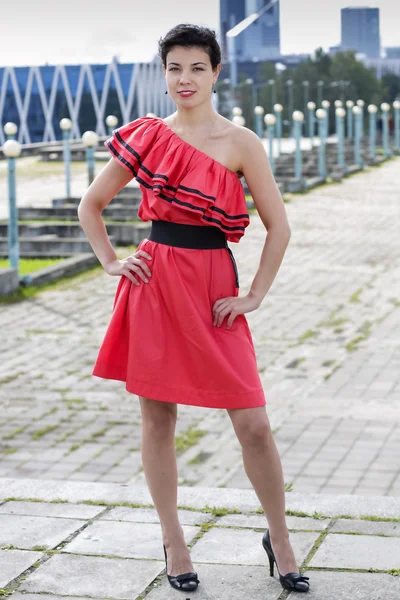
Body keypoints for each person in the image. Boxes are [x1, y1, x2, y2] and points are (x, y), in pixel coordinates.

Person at [78, 23, 310, 595]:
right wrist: (111, 262)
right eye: (175, 68)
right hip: (154, 284)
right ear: (164, 74)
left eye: (197, 68)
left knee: (253, 423)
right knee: (159, 418)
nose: (185, 79)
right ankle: (174, 540)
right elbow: (93, 204)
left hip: (213, 290)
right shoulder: (148, 136)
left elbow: (279, 227)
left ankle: (279, 539)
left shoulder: (240, 142)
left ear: (216, 73)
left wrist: (254, 295)